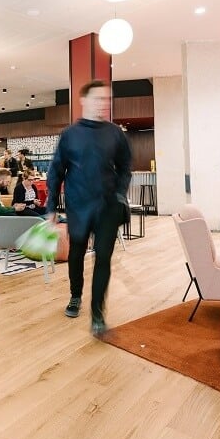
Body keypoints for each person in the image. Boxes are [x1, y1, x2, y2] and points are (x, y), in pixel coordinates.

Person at [47, 80, 132, 337]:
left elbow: (125, 167)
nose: (103, 103)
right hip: (78, 206)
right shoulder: (70, 135)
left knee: (103, 258)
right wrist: (51, 205)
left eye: (106, 99)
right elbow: (56, 172)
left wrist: (119, 194)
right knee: (77, 254)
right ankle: (75, 296)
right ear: (83, 101)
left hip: (107, 206)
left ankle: (97, 315)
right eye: (98, 98)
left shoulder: (115, 133)